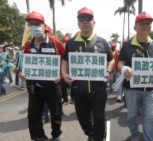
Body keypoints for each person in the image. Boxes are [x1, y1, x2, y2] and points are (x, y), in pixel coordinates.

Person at [61, 7, 114, 141]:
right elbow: (65, 59)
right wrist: (63, 73)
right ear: (78, 23)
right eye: (82, 19)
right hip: (79, 89)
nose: (85, 22)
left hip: (99, 89)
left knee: (98, 117)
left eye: (88, 19)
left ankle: (98, 137)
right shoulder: (71, 43)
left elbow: (111, 59)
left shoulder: (102, 42)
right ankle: (91, 133)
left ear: (93, 22)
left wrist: (108, 71)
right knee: (83, 118)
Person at [18, 11, 65, 141]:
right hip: (35, 87)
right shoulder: (28, 45)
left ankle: (56, 135)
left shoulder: (55, 44)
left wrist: (61, 75)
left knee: (56, 114)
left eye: (37, 24)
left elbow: (66, 61)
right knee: (33, 116)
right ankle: (40, 137)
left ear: (44, 25)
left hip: (53, 86)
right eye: (31, 24)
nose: (34, 27)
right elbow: (26, 64)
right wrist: (22, 73)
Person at [118, 12, 153, 141]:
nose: (145, 26)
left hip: (151, 89)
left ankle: (149, 138)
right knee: (132, 115)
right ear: (135, 27)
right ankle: (135, 134)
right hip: (132, 89)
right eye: (142, 24)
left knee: (150, 117)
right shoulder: (127, 45)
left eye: (148, 23)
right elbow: (120, 63)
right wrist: (125, 70)